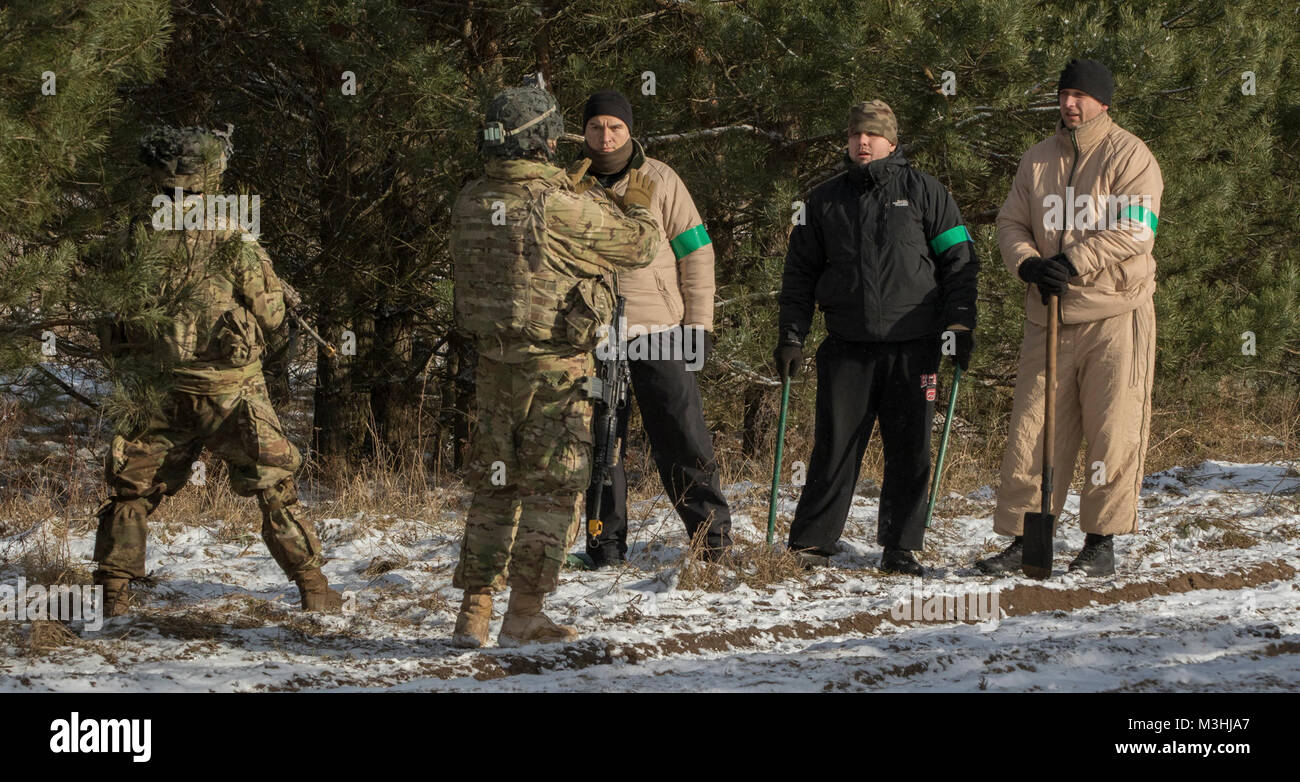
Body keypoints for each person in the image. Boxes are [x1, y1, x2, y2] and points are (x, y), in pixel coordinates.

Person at [92, 125, 342, 615]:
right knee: (273, 488)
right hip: (232, 392)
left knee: (133, 488)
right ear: (211, 174)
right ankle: (313, 588)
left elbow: (110, 316)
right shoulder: (231, 233)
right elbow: (270, 317)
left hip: (158, 389)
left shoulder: (131, 233)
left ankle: (112, 595)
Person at [449, 86, 660, 648]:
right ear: (544, 139)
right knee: (551, 488)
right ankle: (523, 615)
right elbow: (639, 247)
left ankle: (473, 612)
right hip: (555, 370)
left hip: (495, 366)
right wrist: (636, 200)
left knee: (494, 486)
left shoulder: (472, 197)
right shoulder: (558, 204)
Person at [775, 100, 979, 576]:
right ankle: (811, 543)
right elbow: (798, 276)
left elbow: (961, 265)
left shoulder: (927, 192)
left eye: (871, 135)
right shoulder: (822, 201)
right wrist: (791, 337)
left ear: (891, 140)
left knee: (910, 447)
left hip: (915, 345)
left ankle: (900, 546)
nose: (862, 143)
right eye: (854, 135)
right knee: (834, 444)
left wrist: (959, 327)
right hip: (847, 345)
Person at [976, 59, 1162, 577]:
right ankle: (1026, 538)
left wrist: (1073, 261)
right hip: (1049, 316)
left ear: (1104, 101)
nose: (1070, 104)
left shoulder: (1131, 155)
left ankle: (1100, 541)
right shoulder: (1036, 160)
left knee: (1113, 430)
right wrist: (1029, 264)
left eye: (1081, 95)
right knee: (1032, 431)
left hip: (1115, 314)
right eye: (1064, 94)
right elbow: (1011, 222)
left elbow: (1138, 228)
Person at [577, 90, 734, 567]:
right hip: (596, 335)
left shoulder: (661, 179)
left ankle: (713, 542)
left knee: (683, 437)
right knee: (603, 443)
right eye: (596, 127)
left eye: (615, 127)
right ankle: (604, 545)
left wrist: (699, 325)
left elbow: (697, 252)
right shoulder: (570, 184)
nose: (606, 137)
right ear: (583, 132)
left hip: (661, 328)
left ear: (630, 130)